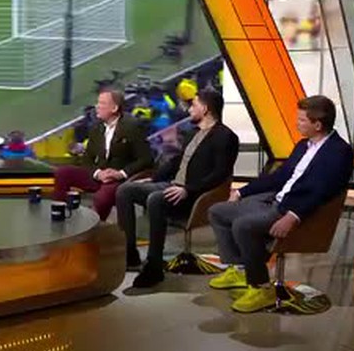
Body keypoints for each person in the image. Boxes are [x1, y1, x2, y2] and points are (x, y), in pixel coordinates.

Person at [207, 95, 354, 313]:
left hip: (292, 209)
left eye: (302, 120)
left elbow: (322, 192)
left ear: (317, 125)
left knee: (243, 225)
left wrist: (293, 216)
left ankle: (261, 287)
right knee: (218, 211)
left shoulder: (339, 152)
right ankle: (240, 269)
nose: (297, 124)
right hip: (275, 199)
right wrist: (241, 192)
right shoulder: (303, 145)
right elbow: (280, 177)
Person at [116, 89, 238, 288]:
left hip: (195, 195)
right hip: (173, 185)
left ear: (205, 109)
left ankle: (154, 266)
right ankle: (130, 254)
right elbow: (176, 162)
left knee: (156, 199)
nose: (189, 110)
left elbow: (220, 174)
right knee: (125, 190)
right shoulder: (192, 134)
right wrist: (152, 178)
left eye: (194, 105)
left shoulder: (225, 137)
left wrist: (188, 189)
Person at [53, 89, 151, 222]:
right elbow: (87, 159)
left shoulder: (132, 127)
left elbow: (145, 159)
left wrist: (121, 173)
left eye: (102, 103)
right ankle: (59, 214)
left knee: (102, 197)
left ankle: (93, 227)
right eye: (98, 102)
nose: (97, 106)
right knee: (63, 173)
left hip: (121, 180)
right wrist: (98, 173)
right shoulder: (97, 127)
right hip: (101, 175)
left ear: (114, 108)